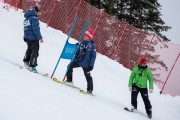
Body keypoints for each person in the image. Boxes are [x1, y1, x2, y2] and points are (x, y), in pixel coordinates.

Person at [66, 29, 96, 94]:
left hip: (86, 64)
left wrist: (91, 65)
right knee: (69, 66)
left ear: (89, 37)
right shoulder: (82, 43)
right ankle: (69, 80)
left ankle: (90, 89)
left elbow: (93, 56)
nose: (84, 36)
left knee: (88, 76)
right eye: (84, 35)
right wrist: (74, 59)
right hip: (79, 61)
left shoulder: (92, 45)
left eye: (85, 36)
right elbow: (77, 52)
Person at [23, 6, 43, 73]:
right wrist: (40, 37)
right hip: (34, 39)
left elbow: (26, 29)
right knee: (35, 52)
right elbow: (36, 29)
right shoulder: (34, 18)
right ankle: (32, 66)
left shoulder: (26, 19)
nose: (38, 13)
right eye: (37, 12)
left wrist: (25, 36)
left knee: (29, 49)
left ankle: (26, 62)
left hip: (28, 38)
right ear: (34, 11)